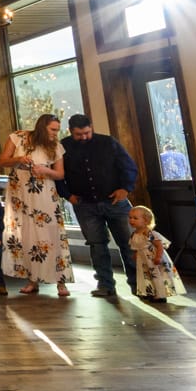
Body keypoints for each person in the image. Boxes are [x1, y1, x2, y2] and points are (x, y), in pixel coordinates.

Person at [57, 112, 138, 298]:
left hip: (115, 201)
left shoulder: (108, 142)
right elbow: (59, 174)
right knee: (97, 245)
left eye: (87, 132)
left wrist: (125, 188)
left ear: (91, 128)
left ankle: (138, 284)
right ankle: (105, 285)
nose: (84, 137)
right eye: (79, 134)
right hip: (84, 204)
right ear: (71, 131)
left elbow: (128, 166)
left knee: (129, 243)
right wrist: (68, 195)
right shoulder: (63, 147)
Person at [0, 113, 72, 297]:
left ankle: (60, 282)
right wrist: (19, 159)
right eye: (53, 129)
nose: (56, 133)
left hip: (44, 193)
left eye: (57, 129)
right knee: (26, 234)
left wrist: (45, 170)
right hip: (20, 193)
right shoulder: (17, 138)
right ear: (42, 127)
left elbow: (60, 174)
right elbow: (3, 161)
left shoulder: (56, 146)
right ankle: (32, 279)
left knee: (51, 232)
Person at [128, 204, 184, 302]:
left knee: (156, 275)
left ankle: (160, 295)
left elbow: (159, 246)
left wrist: (158, 257)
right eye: (130, 218)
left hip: (152, 259)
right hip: (143, 260)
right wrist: (137, 254)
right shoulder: (134, 234)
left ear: (146, 221)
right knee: (146, 276)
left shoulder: (149, 234)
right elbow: (138, 247)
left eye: (135, 218)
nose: (131, 220)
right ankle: (149, 292)